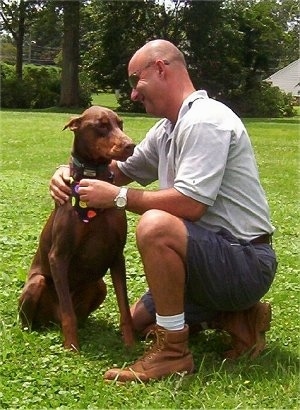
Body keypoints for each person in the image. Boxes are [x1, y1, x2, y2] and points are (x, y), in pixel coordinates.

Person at [50, 39, 277, 383]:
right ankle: (238, 319)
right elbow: (114, 172)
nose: (133, 95)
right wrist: (66, 172)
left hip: (243, 260)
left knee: (156, 225)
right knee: (142, 320)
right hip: (206, 259)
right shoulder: (168, 128)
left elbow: (190, 204)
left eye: (134, 82)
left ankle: (173, 353)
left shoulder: (206, 120)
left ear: (160, 68)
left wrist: (119, 198)